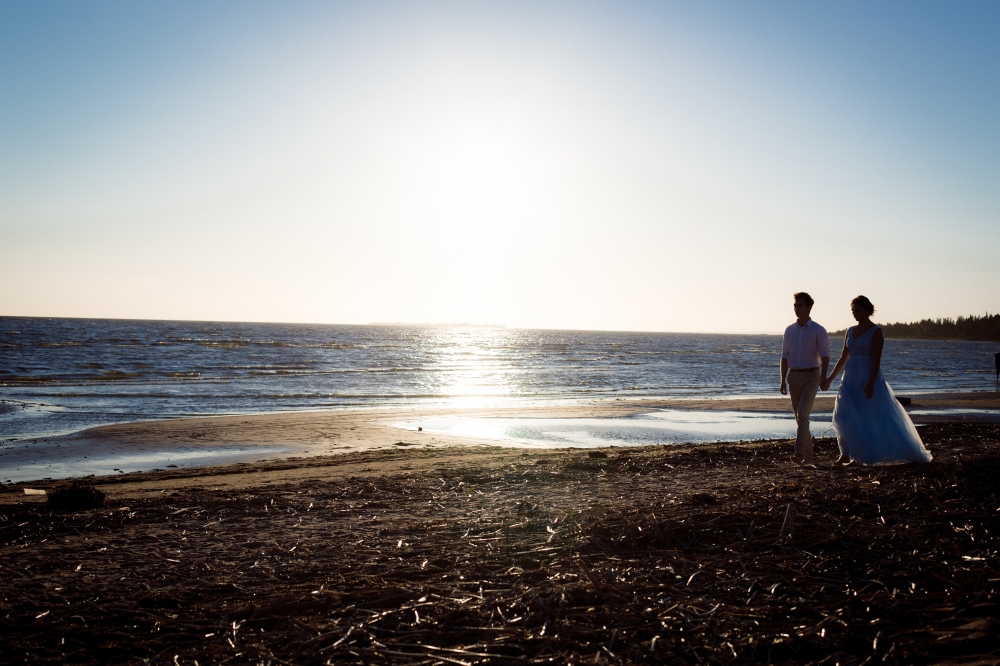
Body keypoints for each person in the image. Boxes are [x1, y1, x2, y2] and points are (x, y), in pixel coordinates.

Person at [824, 295, 932, 465]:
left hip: (867, 376)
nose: (855, 314)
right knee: (843, 414)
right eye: (853, 311)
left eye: (858, 310)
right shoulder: (850, 330)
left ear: (867, 310)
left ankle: (860, 456)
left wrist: (871, 382)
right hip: (850, 376)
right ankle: (845, 452)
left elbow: (876, 359)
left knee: (866, 416)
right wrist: (830, 378)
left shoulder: (876, 331)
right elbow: (844, 356)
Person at [780, 292, 830, 466]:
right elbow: (784, 357)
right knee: (800, 418)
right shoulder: (789, 330)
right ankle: (809, 458)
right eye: (795, 305)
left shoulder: (818, 330)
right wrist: (782, 379)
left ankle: (799, 453)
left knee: (802, 414)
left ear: (809, 307)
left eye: (800, 305)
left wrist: (824, 376)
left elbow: (825, 355)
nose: (796, 308)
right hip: (793, 376)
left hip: (811, 376)